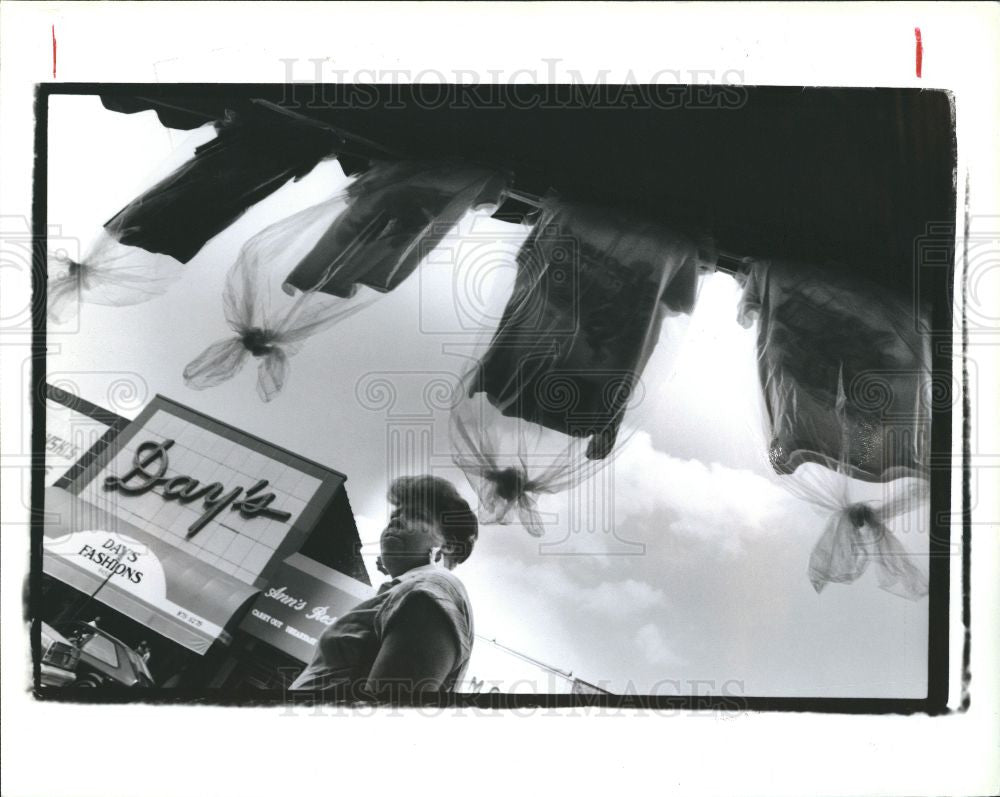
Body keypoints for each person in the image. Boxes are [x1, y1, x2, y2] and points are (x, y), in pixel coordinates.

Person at [289, 475, 478, 700]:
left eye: (417, 516)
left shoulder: (432, 589)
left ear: (446, 545)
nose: (396, 520)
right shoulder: (409, 590)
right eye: (395, 515)